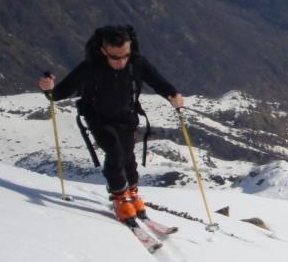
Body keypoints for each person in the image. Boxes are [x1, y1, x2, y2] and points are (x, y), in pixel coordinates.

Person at [38, 25, 184, 228]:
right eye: (115, 57)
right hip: (98, 118)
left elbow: (156, 80)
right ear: (103, 51)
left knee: (128, 154)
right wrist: (48, 89)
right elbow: (60, 93)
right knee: (115, 152)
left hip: (126, 116)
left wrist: (172, 94)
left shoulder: (136, 62)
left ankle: (131, 192)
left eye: (125, 55)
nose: (121, 61)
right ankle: (119, 197)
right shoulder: (91, 66)